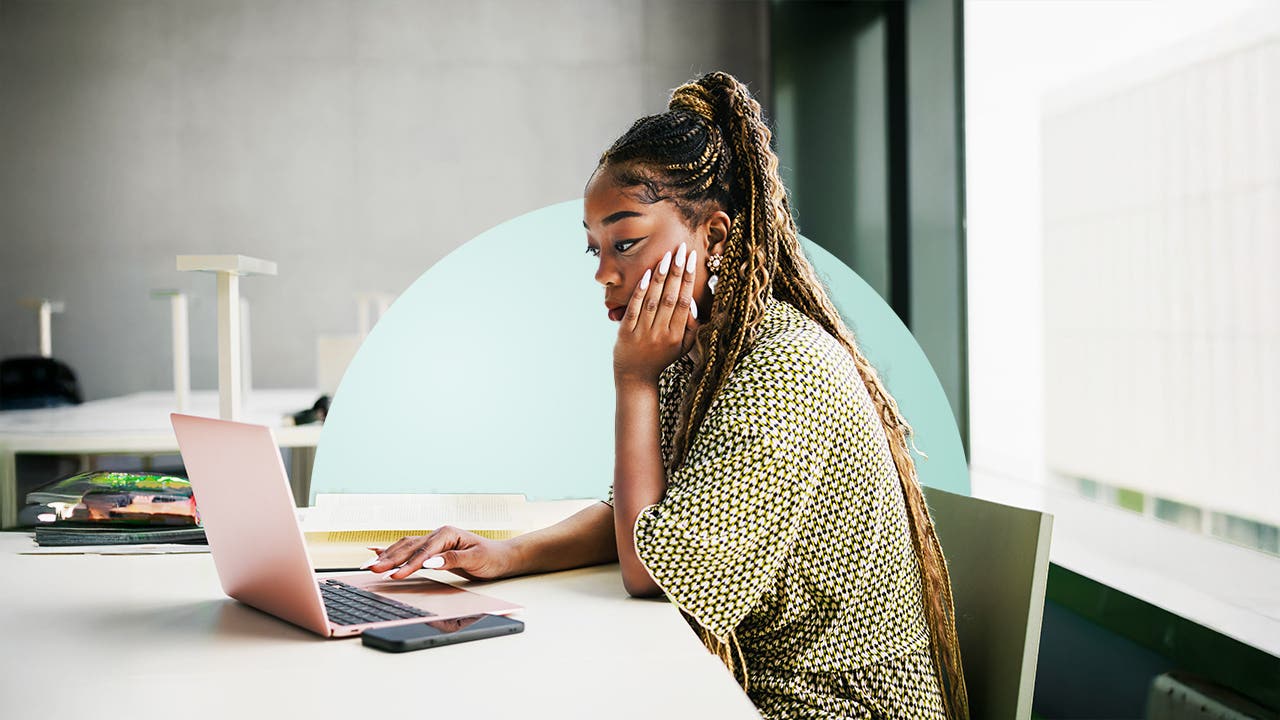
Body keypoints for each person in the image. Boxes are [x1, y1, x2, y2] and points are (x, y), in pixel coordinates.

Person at [366, 71, 969, 720]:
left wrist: (632, 381)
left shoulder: (785, 365)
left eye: (626, 241)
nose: (603, 272)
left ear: (712, 236)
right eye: (595, 248)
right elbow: (649, 522)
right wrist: (502, 554)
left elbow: (651, 571)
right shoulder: (707, 349)